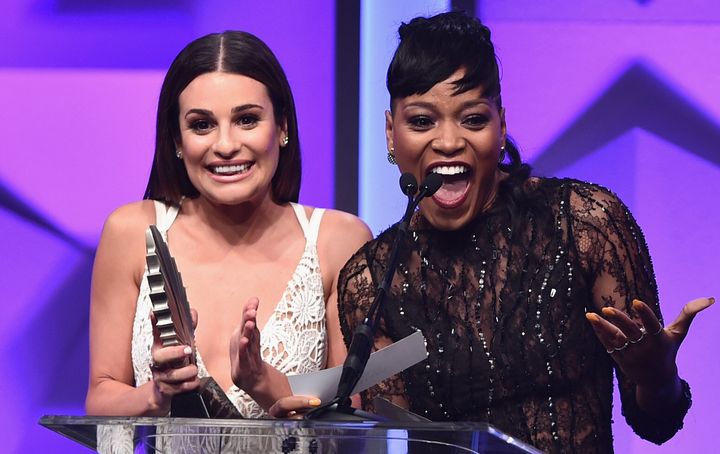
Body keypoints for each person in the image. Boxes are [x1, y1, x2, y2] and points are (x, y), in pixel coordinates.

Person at [337, 11, 713, 453]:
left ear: (500, 126)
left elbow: (657, 423)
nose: (448, 141)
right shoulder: (372, 281)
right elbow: (399, 439)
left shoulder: (585, 225)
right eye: (422, 121)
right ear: (390, 134)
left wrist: (657, 378)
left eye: (473, 119)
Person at [85, 29, 371, 431]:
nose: (225, 145)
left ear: (283, 127)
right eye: (202, 125)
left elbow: (354, 417)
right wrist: (157, 394)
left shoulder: (339, 240)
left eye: (247, 120)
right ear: (177, 141)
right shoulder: (132, 231)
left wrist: (262, 383)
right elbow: (101, 395)